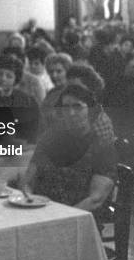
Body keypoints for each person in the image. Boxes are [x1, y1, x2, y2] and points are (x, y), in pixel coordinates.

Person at [24, 84, 117, 226]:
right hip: (40, 215)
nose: (71, 112)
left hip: (78, 222)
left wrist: (60, 219)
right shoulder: (49, 139)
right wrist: (29, 203)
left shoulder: (102, 147)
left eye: (78, 107)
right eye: (66, 107)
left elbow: (95, 199)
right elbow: (27, 182)